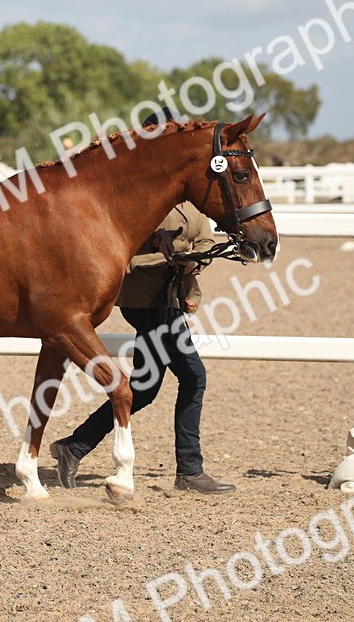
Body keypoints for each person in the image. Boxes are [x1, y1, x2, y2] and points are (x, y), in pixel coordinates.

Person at [49, 115, 235, 494]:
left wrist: (196, 256)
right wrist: (168, 257)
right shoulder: (140, 198)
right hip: (147, 301)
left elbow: (202, 235)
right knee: (193, 377)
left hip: (168, 301)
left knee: (147, 387)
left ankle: (73, 447)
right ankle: (189, 470)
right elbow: (124, 258)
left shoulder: (182, 195)